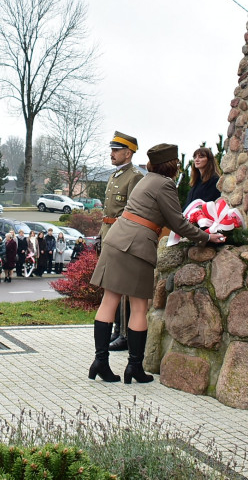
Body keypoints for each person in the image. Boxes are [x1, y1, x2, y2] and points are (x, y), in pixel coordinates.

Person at [90, 143, 222, 385]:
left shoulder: (146, 179)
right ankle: (134, 367)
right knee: (139, 307)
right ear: (171, 165)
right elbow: (177, 222)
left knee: (109, 300)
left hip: (116, 239)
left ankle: (100, 361)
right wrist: (206, 237)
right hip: (136, 247)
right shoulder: (165, 184)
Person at [102, 131, 145, 352]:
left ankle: (124, 333)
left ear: (128, 153)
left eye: (116, 150)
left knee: (123, 287)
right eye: (112, 150)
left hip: (121, 236)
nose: (112, 153)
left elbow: (132, 211)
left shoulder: (135, 176)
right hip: (108, 232)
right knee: (111, 286)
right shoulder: (115, 175)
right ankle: (117, 329)